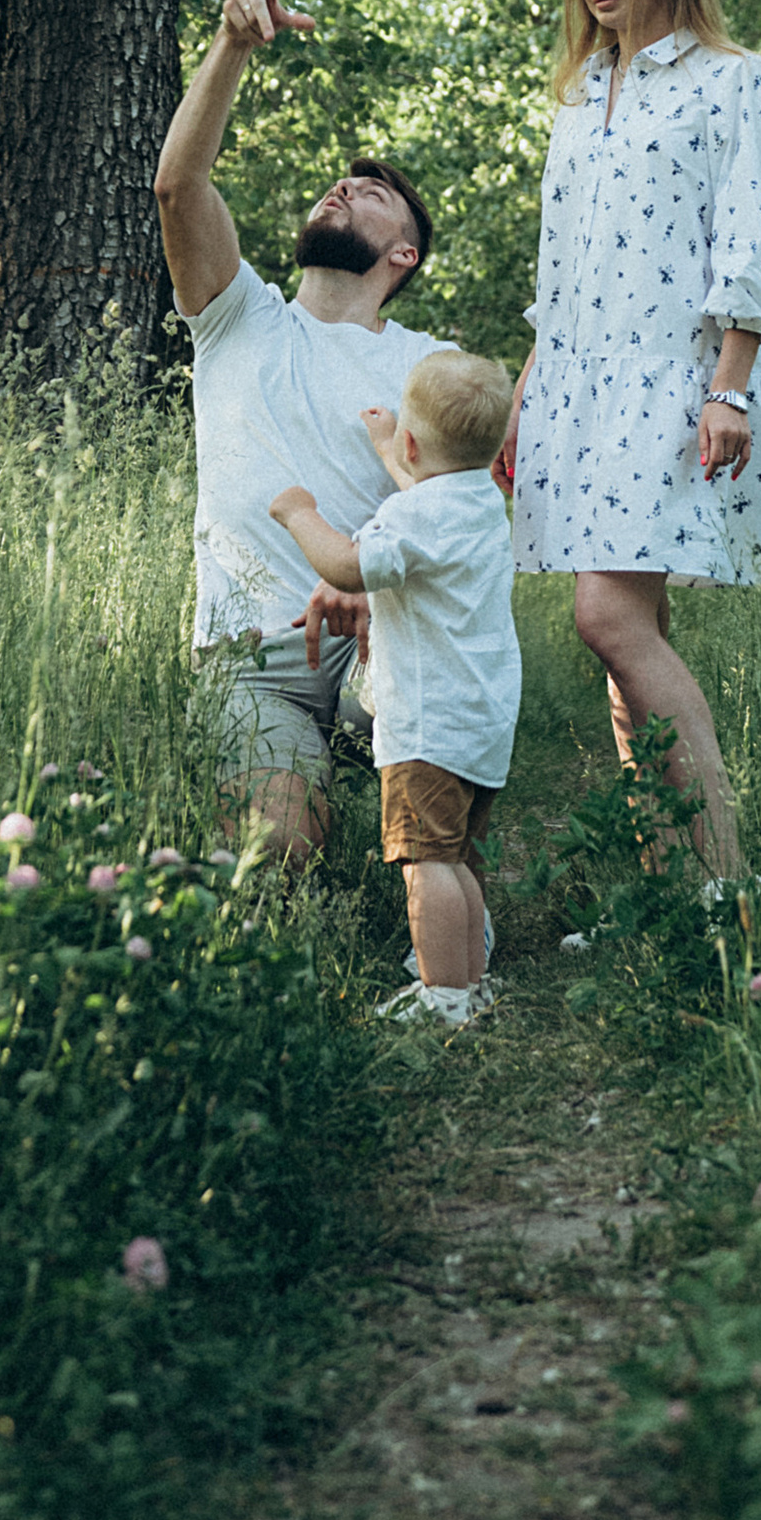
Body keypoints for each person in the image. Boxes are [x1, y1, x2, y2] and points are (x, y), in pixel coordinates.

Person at [502, 0, 761, 887]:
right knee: (626, 636)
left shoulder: (729, 77)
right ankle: (667, 882)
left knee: (607, 618)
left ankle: (723, 878)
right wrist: (527, 395)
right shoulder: (578, 93)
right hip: (577, 388)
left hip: (674, 382)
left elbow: (751, 236)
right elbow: (560, 267)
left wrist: (729, 386)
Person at [155, 0, 447, 868]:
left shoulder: (428, 363)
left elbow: (462, 507)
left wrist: (378, 581)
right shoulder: (236, 314)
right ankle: (308, 787)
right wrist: (232, 45)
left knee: (430, 827)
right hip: (254, 657)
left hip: (383, 643)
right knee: (283, 849)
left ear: (403, 256)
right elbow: (179, 186)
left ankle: (437, 874)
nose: (344, 187)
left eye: (374, 194)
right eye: (342, 183)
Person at [272, 347, 521, 1029]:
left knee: (424, 863)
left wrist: (299, 513)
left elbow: (349, 567)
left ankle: (443, 994)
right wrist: (390, 446)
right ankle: (469, 983)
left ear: (413, 445)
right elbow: (426, 492)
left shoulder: (411, 517)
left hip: (427, 723)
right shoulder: (479, 501)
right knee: (456, 859)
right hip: (482, 718)